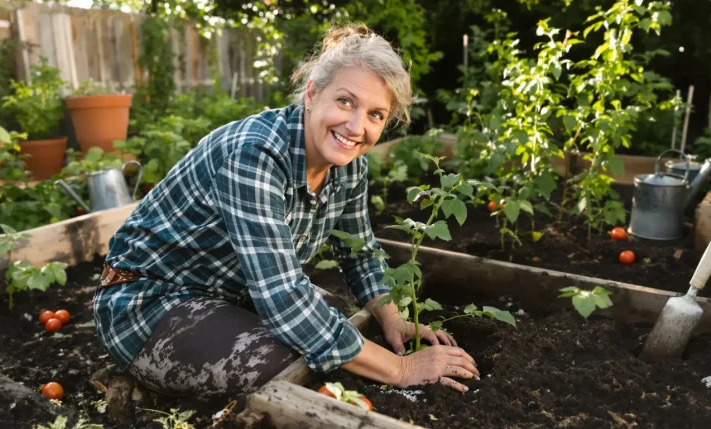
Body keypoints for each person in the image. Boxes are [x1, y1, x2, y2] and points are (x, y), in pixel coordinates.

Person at [93, 23, 479, 404]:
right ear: (312, 94)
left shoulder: (348, 163)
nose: (356, 126)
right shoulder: (254, 156)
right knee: (289, 363)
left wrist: (394, 319)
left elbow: (359, 253)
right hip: (150, 302)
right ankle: (138, 376)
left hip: (231, 294)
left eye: (376, 114)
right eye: (345, 101)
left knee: (343, 323)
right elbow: (284, 299)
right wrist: (402, 369)